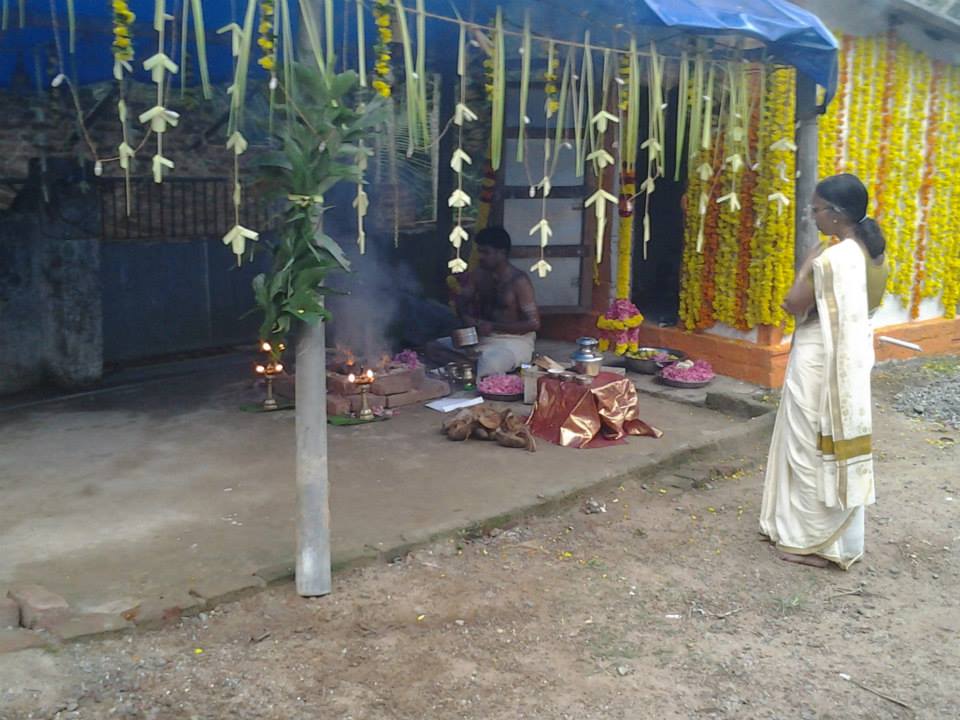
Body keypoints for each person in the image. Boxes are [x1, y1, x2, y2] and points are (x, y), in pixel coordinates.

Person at [760, 173, 888, 570]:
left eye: (815, 209)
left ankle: (809, 540)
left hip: (821, 359)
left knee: (808, 446)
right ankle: (833, 536)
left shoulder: (832, 260)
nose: (812, 216)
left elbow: (792, 304)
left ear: (835, 214)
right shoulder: (876, 255)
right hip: (852, 357)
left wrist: (805, 268)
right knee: (833, 444)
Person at [429, 227, 540, 378]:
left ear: (501, 253)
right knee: (433, 347)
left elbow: (534, 323)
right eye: (479, 251)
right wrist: (467, 318)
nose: (480, 257)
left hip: (514, 341)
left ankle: (471, 367)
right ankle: (472, 366)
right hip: (481, 338)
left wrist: (493, 326)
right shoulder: (479, 275)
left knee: (490, 363)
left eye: (485, 252)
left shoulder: (519, 281)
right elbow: (461, 302)